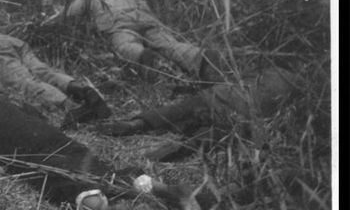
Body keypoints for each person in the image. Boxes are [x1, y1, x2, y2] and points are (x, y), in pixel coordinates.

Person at [0, 84, 217, 210]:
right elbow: (34, 113)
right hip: (48, 135)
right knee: (92, 165)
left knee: (55, 179)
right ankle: (165, 189)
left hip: (21, 148)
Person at [97, 65, 299, 161]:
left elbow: (240, 75)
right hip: (239, 116)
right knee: (214, 134)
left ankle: (136, 124)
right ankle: (184, 145)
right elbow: (273, 121)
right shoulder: (296, 92)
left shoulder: (271, 69)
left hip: (218, 95)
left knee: (177, 110)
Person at [0, 11, 111, 123]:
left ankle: (72, 108)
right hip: (9, 40)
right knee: (45, 72)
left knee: (24, 82)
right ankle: (81, 89)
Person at [43, 0, 220, 81]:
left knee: (124, 45)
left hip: (119, 22)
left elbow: (68, 15)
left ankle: (141, 56)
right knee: (169, 44)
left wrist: (46, 24)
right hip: (145, 18)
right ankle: (198, 56)